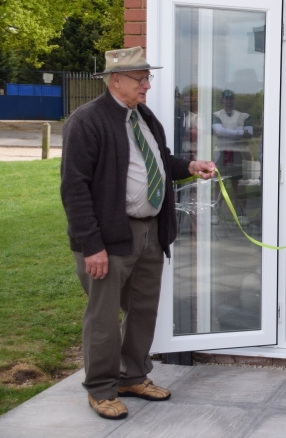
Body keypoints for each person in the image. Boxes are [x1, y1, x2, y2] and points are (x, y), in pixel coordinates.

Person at [60, 47, 215, 420]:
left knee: (143, 310)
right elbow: (74, 189)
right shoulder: (87, 121)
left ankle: (133, 376)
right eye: (140, 79)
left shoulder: (143, 116)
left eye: (148, 77)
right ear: (116, 81)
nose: (147, 85)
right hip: (108, 239)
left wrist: (191, 165)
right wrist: (92, 245)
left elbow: (161, 160)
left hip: (148, 233)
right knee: (103, 317)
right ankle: (100, 388)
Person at [212, 89, 252, 225]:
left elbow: (249, 134)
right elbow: (218, 131)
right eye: (226, 98)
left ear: (233, 100)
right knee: (219, 183)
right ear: (223, 100)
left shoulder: (243, 116)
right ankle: (215, 213)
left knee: (238, 185)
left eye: (231, 98)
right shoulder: (216, 114)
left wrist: (225, 133)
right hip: (222, 152)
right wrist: (240, 132)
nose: (228, 101)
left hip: (237, 152)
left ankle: (241, 213)